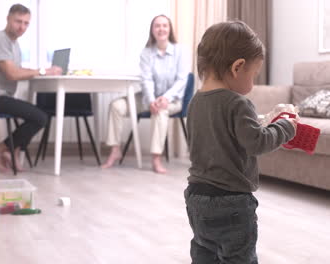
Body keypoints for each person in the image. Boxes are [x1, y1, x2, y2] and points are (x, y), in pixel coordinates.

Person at [184, 21, 297, 263]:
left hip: (196, 197)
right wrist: (286, 128)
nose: (253, 83)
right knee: (238, 257)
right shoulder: (238, 103)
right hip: (231, 202)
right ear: (238, 67)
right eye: (254, 74)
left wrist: (264, 120)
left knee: (204, 253)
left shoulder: (194, 103)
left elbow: (219, 133)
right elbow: (257, 142)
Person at [0, 4, 62, 173]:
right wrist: (43, 71)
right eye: (18, 21)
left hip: (2, 96)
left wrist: (39, 72)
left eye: (26, 23)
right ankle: (1, 148)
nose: (22, 27)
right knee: (40, 117)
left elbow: (17, 71)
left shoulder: (14, 44)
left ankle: (10, 150)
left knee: (37, 115)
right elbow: (12, 74)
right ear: (8, 19)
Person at [101, 14, 191, 174]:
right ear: (152, 30)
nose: (161, 29)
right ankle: (115, 150)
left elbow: (182, 80)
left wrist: (165, 98)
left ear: (170, 29)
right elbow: (146, 80)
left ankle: (156, 158)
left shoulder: (181, 51)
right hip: (148, 97)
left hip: (172, 100)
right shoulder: (146, 53)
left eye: (165, 25)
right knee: (116, 105)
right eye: (157, 26)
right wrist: (151, 101)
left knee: (161, 111)